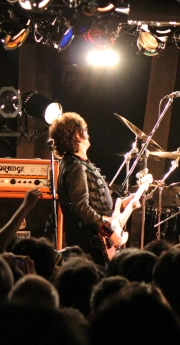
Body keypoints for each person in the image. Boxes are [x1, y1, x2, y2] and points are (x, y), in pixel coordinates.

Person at [49, 113, 127, 265]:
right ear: (77, 134)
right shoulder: (75, 167)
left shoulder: (78, 163)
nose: (88, 133)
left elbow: (98, 203)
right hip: (88, 246)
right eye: (85, 129)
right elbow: (82, 209)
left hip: (94, 243)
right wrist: (110, 234)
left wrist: (124, 203)